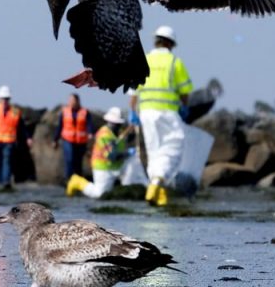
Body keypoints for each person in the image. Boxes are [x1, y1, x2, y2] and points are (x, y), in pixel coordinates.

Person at [132, 25, 193, 207]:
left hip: (146, 113)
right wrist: (184, 107)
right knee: (174, 146)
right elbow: (185, 91)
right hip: (167, 112)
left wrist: (133, 113)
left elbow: (133, 91)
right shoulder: (175, 62)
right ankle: (157, 181)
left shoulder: (144, 59)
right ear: (170, 43)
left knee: (153, 151)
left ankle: (158, 194)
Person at [66, 107, 131, 198]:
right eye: (116, 124)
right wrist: (127, 154)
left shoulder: (119, 132)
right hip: (102, 167)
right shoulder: (104, 134)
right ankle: (77, 181)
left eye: (120, 124)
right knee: (99, 194)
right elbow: (111, 156)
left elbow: (125, 139)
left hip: (116, 166)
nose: (118, 126)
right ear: (110, 122)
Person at [0, 85, 32, 188]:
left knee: (7, 160)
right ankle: (0, 182)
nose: (4, 101)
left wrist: (28, 138)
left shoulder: (15, 112)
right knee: (0, 161)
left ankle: (6, 182)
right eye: (3, 99)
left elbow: (22, 127)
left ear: (9, 99)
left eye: (6, 99)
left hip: (9, 141)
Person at [52, 93, 95, 181]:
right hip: (67, 140)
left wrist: (90, 133)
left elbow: (89, 124)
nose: (70, 102)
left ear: (78, 101)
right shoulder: (64, 111)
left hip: (81, 141)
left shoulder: (85, 112)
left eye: (73, 100)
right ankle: (69, 179)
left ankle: (78, 180)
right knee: (69, 159)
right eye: (69, 100)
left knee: (78, 162)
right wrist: (55, 139)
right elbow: (60, 126)